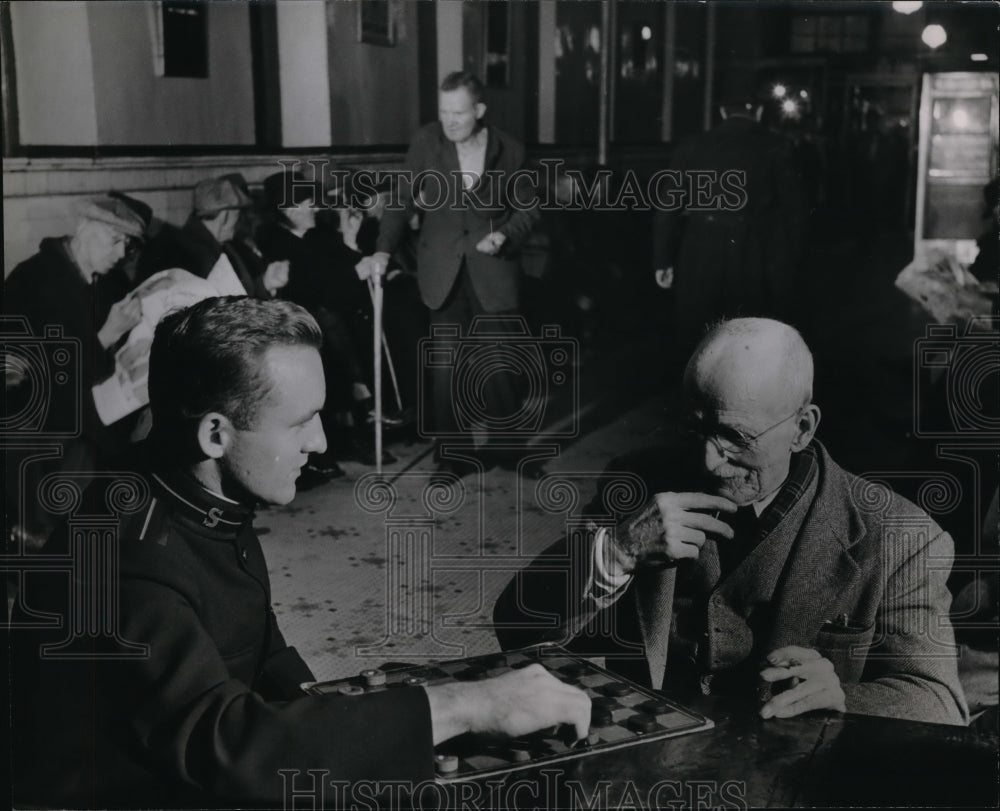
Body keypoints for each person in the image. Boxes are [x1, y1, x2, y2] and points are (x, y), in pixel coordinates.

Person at [9, 297, 591, 808]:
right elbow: (223, 742)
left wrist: (368, 715)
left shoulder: (198, 492)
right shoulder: (126, 554)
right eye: (301, 422)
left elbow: (263, 654)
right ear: (216, 433)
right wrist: (464, 707)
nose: (322, 443)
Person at [494, 318, 968, 726]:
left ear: (803, 428)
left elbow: (939, 701)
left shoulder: (902, 537)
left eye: (735, 437)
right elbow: (518, 624)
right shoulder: (636, 483)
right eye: (697, 428)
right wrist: (615, 552)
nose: (709, 461)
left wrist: (844, 696)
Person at [360, 71, 541, 477]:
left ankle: (508, 450)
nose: (451, 122)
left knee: (500, 366)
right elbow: (402, 200)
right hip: (441, 269)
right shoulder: (427, 141)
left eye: (459, 113)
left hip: (492, 268)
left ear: (479, 110)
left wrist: (505, 235)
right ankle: (453, 456)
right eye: (444, 112)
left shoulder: (508, 149)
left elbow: (529, 207)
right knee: (446, 370)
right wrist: (382, 250)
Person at [4, 194, 147, 544]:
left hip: (91, 396)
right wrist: (106, 336)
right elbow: (38, 375)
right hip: (37, 404)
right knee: (90, 437)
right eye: (115, 241)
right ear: (84, 230)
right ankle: (38, 533)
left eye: (126, 245)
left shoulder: (108, 282)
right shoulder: (33, 278)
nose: (120, 254)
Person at [652, 97, 806, 365]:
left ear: (722, 111)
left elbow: (667, 208)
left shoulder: (691, 145)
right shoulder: (776, 145)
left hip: (699, 251)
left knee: (699, 333)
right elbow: (795, 212)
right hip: (753, 252)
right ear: (757, 110)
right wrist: (790, 262)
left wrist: (662, 260)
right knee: (748, 333)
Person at [136, 174, 254, 288]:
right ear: (225, 216)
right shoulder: (194, 255)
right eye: (238, 215)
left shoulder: (186, 243)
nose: (240, 222)